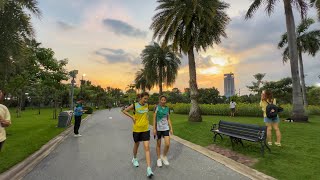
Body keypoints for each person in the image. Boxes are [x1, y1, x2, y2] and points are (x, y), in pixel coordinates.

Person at [122, 92, 154, 178]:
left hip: (145, 129)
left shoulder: (146, 105)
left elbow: (146, 115)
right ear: (141, 98)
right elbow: (124, 111)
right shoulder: (135, 105)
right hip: (137, 129)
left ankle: (149, 169)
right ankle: (135, 158)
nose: (146, 100)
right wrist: (132, 117)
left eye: (147, 99)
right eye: (145, 99)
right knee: (137, 144)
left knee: (147, 147)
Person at [153, 95, 173, 167]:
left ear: (166, 101)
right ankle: (158, 159)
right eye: (162, 100)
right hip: (158, 129)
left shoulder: (167, 108)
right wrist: (154, 129)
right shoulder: (157, 107)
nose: (163, 101)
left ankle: (164, 156)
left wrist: (171, 128)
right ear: (160, 100)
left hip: (165, 128)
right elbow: (154, 119)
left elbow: (168, 119)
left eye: (164, 100)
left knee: (167, 144)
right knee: (158, 144)